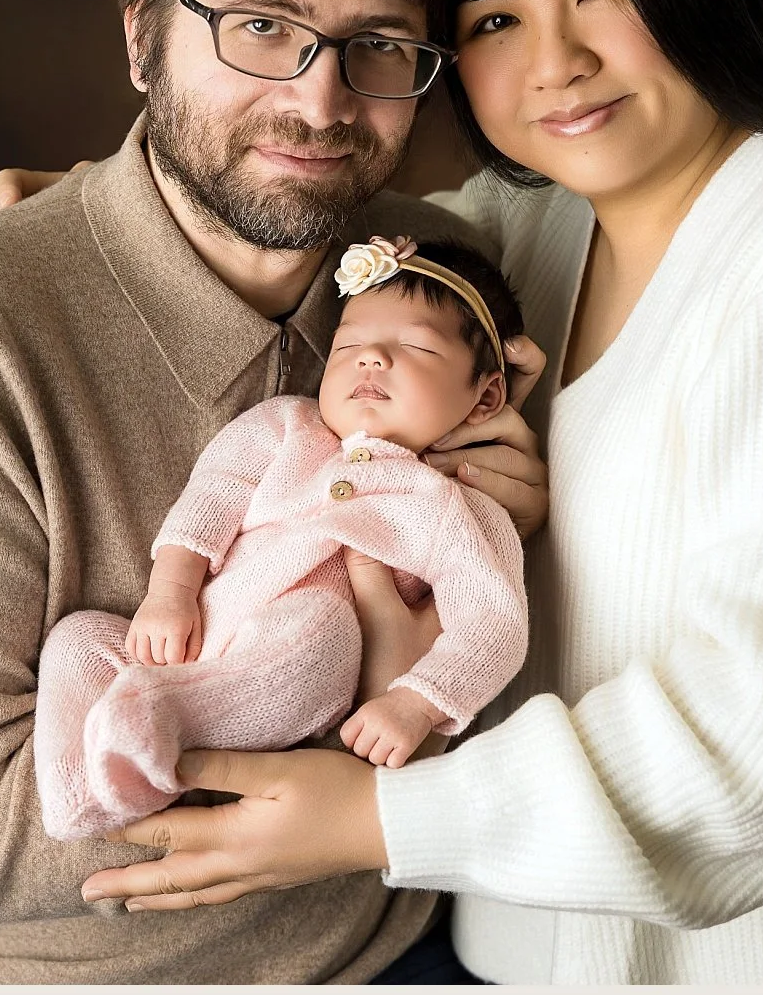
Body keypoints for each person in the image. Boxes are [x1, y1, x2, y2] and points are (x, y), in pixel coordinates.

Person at [0, 0, 763, 984]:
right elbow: (306, 212)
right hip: (504, 950)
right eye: (494, 20)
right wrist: (100, 211)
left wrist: (374, 818)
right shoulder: (533, 233)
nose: (557, 64)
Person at [0, 0, 548, 985]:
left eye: (376, 44)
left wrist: (502, 537)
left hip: (398, 946)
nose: (317, 100)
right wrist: (348, 792)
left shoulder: (436, 274)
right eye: (260, 26)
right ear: (141, 35)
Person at [36, 236, 528, 840]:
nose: (371, 358)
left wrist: (415, 703)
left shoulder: (456, 508)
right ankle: (80, 792)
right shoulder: (285, 425)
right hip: (191, 634)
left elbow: (493, 623)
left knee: (321, 625)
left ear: (485, 397)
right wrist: (171, 593)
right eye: (348, 345)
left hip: (302, 670)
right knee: (79, 639)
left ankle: (170, 717)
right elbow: (209, 501)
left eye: (417, 346)